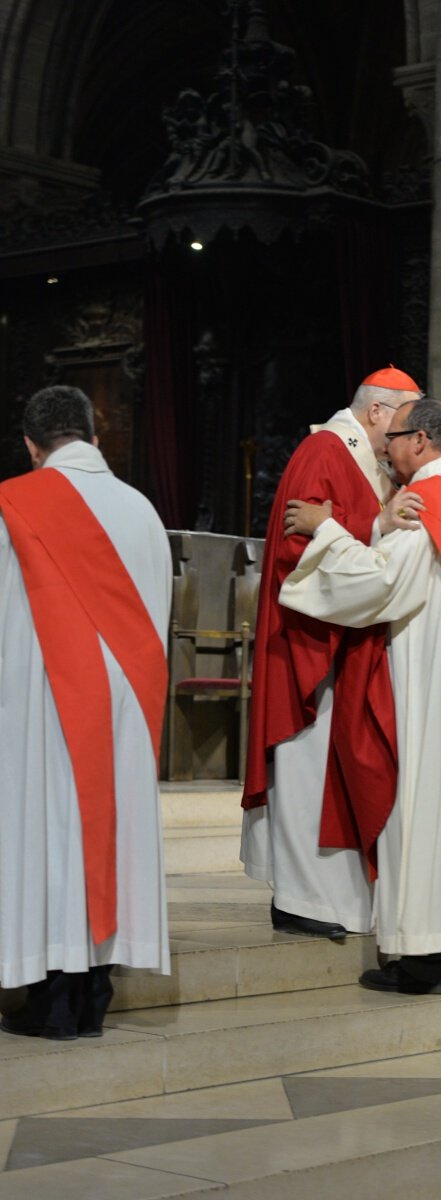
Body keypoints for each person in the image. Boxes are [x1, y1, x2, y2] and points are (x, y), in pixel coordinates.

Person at [280, 398, 441, 993]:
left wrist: (324, 529)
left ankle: (424, 962)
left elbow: (382, 582)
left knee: (426, 807)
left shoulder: (431, 501)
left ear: (419, 441)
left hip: (429, 672)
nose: (383, 450)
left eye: (390, 439)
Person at [0, 385, 172, 1040]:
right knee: (106, 836)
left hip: (44, 704)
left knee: (48, 839)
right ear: (95, 438)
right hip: (127, 705)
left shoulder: (16, 503)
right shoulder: (142, 509)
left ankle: (53, 996)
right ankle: (95, 986)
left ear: (31, 445)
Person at [241, 365, 423, 940]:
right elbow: (297, 551)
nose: (409, 434)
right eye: (405, 419)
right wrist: (374, 522)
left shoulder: (370, 463)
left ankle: (328, 899)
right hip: (309, 647)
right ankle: (298, 899)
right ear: (376, 413)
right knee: (304, 767)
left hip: (347, 642)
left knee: (330, 772)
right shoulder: (323, 452)